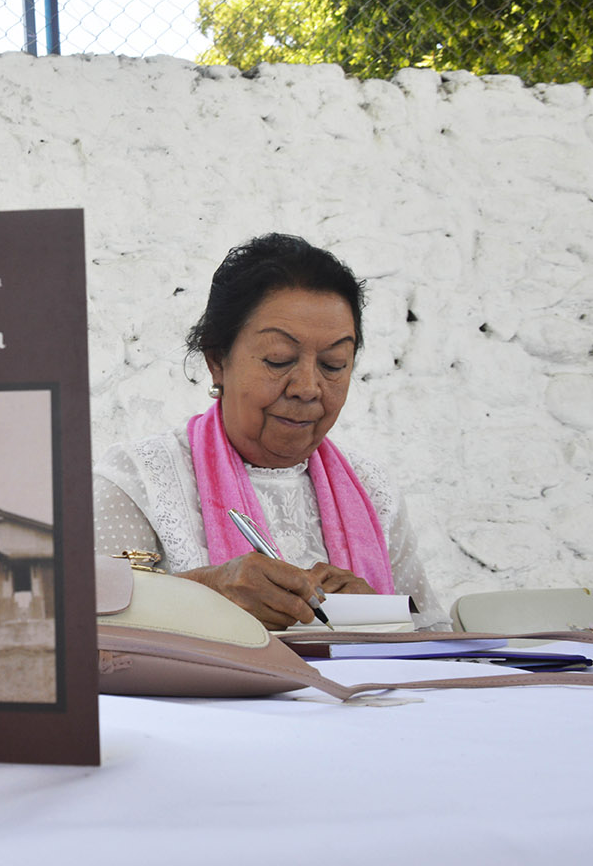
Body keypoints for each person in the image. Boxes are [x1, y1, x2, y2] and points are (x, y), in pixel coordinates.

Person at [94, 233, 446, 629]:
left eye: (333, 364)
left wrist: (378, 618)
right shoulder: (140, 479)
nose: (307, 388)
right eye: (279, 360)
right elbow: (85, 627)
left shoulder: (372, 491)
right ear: (217, 361)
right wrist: (203, 595)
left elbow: (437, 639)